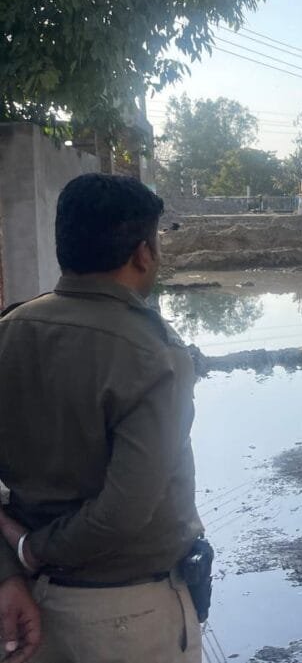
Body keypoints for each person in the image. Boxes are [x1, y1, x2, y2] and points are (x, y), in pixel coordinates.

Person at [0, 173, 203, 663]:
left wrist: (9, 571)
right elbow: (124, 513)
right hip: (126, 617)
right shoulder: (154, 353)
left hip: (24, 605)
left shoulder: (8, 332)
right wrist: (28, 550)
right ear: (142, 253)